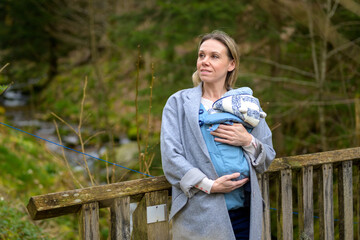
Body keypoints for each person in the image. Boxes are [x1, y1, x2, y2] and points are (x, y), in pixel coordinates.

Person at [160, 30, 276, 240]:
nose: (204, 61)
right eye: (201, 55)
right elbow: (171, 158)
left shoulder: (247, 105)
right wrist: (209, 185)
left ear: (231, 64)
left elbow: (267, 157)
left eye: (214, 56)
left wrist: (247, 140)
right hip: (199, 218)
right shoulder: (178, 103)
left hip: (245, 216)